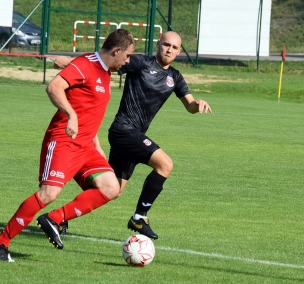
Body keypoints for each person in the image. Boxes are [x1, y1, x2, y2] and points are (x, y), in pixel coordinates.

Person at [0, 28, 135, 262]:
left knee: (111, 188)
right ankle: (0, 242)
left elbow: (91, 111)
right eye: (127, 56)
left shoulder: (104, 70)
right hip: (63, 141)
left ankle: (55, 219)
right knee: (48, 194)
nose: (128, 61)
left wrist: (97, 147)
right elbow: (54, 87)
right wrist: (71, 115)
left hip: (86, 146)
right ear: (117, 51)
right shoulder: (87, 64)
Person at [55, 31, 212, 240]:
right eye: (166, 45)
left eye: (174, 48)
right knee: (165, 165)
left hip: (133, 136)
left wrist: (197, 104)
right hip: (124, 130)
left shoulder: (175, 77)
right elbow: (102, 61)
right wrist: (69, 62)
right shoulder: (139, 63)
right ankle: (139, 217)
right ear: (158, 44)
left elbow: (190, 105)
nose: (169, 50)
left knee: (112, 190)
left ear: (179, 51)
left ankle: (59, 217)